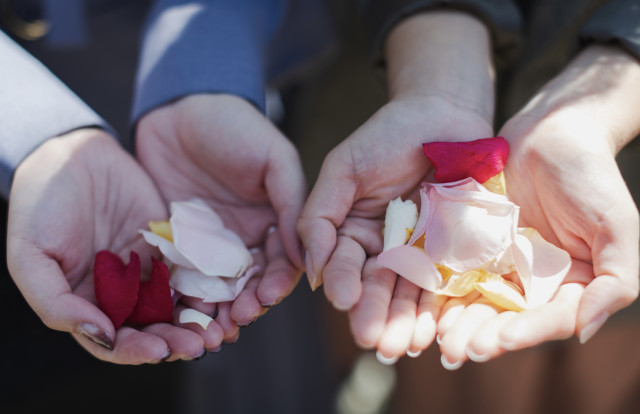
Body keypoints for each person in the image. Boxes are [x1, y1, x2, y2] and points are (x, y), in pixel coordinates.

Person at [298, 0, 640, 372]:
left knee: (595, 373)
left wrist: (598, 102)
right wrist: (440, 82)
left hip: (615, 112)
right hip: (397, 52)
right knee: (466, 382)